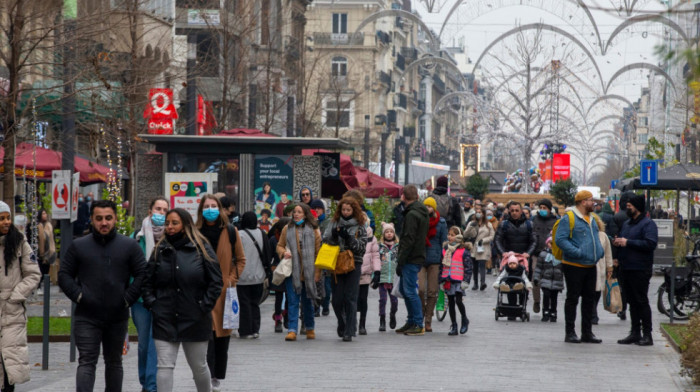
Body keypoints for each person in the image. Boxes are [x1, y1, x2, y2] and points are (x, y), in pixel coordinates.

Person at [58, 199, 146, 392]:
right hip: (86, 316)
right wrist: (79, 296)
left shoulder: (129, 246)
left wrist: (127, 298)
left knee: (114, 362)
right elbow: (64, 275)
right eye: (99, 218)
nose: (103, 223)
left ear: (115, 219)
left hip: (117, 315)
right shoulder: (79, 246)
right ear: (91, 219)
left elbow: (142, 274)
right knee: (87, 361)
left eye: (108, 218)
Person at [142, 208, 223, 392]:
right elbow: (147, 282)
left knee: (199, 366)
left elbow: (216, 281)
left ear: (186, 225)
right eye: (167, 223)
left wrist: (204, 305)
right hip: (165, 317)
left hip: (195, 317)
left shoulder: (201, 248)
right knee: (164, 366)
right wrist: (153, 304)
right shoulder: (160, 250)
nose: (170, 227)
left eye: (175, 223)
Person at [195, 194, 245, 391]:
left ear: (220, 209)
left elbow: (241, 260)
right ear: (201, 210)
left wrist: (231, 280)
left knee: (221, 337)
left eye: (213, 206)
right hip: (201, 290)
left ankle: (217, 376)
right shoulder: (195, 232)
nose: (210, 209)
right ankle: (205, 375)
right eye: (206, 206)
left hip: (224, 291)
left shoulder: (231, 231)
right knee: (204, 335)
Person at [0, 201, 40, 392]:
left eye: (8, 218)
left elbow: (33, 274)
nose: (6, 222)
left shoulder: (19, 242)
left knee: (10, 366)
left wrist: (16, 295)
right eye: (2, 218)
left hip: (12, 313)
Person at [555, 190, 604, 344]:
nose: (593, 203)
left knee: (589, 300)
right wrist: (577, 252)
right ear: (583, 202)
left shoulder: (592, 219)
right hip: (574, 265)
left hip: (591, 265)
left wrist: (600, 252)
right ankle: (570, 333)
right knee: (573, 298)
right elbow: (560, 240)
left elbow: (595, 237)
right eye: (591, 200)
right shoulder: (569, 218)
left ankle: (587, 333)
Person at [133, 197, 169, 392]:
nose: (161, 213)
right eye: (158, 209)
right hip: (140, 299)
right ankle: (144, 380)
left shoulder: (171, 238)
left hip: (163, 299)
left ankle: (151, 386)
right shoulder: (136, 238)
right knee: (143, 345)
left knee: (156, 343)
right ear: (150, 211)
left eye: (164, 210)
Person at [614, 194, 658, 346]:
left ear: (637, 207)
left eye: (630, 205)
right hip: (626, 268)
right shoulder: (627, 224)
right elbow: (624, 241)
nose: (627, 207)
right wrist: (618, 245)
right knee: (632, 302)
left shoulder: (648, 224)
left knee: (641, 301)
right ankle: (634, 332)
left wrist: (628, 242)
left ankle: (647, 334)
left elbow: (650, 244)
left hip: (640, 269)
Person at [323, 197, 367, 341]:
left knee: (350, 298)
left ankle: (349, 330)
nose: (346, 212)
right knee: (336, 299)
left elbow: (361, 248)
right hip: (337, 263)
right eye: (343, 209)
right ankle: (342, 322)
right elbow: (326, 240)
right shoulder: (334, 222)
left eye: (349, 210)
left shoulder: (360, 225)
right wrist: (335, 236)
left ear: (354, 211)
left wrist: (349, 238)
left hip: (354, 263)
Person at [276, 204, 322, 341]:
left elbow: (318, 252)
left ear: (305, 214)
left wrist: (317, 273)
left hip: (309, 271)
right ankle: (292, 329)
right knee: (293, 300)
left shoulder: (314, 230)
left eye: (299, 212)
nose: (296, 214)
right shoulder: (287, 228)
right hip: (292, 271)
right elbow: (279, 245)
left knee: (308, 301)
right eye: (294, 212)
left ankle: (310, 327)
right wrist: (284, 252)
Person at [395, 185, 429, 336]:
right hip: (417, 255)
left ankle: (417, 323)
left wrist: (401, 260)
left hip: (410, 257)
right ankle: (411, 321)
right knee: (404, 289)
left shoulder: (411, 215)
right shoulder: (421, 212)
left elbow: (408, 239)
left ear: (403, 196)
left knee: (409, 291)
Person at [237, 212, 272, 339]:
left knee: (244, 304)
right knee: (255, 304)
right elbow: (267, 254)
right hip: (259, 276)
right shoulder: (262, 233)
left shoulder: (239, 235)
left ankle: (245, 330)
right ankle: (255, 329)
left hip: (242, 277)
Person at [420, 197, 448, 333]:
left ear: (434, 208)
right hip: (420, 258)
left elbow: (444, 242)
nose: (427, 209)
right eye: (425, 206)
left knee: (432, 291)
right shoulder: (420, 220)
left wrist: (445, 259)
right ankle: (421, 313)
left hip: (435, 259)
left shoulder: (441, 223)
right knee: (419, 290)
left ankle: (428, 320)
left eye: (430, 206)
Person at [440, 227, 473, 335]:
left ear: (458, 236)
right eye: (449, 234)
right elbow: (441, 266)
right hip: (448, 279)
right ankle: (454, 325)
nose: (450, 237)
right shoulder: (445, 249)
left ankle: (464, 319)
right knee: (451, 303)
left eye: (453, 235)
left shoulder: (464, 250)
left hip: (459, 280)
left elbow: (468, 267)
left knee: (458, 301)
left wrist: (466, 281)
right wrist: (440, 280)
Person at [531, 199, 557, 314]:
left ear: (549, 209)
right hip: (536, 254)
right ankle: (537, 300)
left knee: (549, 279)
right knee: (535, 278)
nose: (542, 210)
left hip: (550, 255)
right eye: (540, 207)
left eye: (544, 208)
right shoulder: (534, 220)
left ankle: (548, 302)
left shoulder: (555, 221)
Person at [494, 201, 537, 271]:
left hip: (524, 258)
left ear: (521, 211)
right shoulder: (503, 224)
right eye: (512, 211)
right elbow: (497, 240)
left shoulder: (530, 225)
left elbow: (534, 241)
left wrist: (528, 253)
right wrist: (502, 252)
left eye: (517, 210)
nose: (514, 213)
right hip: (508, 258)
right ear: (509, 212)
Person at [612, 191, 634, 320]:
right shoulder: (637, 217)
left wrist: (614, 257)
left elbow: (614, 239)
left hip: (621, 254)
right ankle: (632, 308)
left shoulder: (617, 217)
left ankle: (623, 308)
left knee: (622, 283)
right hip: (634, 255)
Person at [533, 237, 564, 322]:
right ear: (547, 244)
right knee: (546, 295)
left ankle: (553, 312)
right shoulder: (543, 255)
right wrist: (536, 278)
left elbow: (564, 268)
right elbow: (538, 268)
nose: (552, 246)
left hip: (557, 280)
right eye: (551, 244)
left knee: (554, 297)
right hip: (545, 279)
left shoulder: (561, 254)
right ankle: (545, 311)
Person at [268, 218, 290, 332]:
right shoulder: (273, 239)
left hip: (288, 269)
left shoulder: (291, 237)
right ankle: (278, 319)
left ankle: (286, 316)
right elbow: (270, 254)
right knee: (279, 296)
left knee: (289, 295)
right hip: (277, 270)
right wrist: (271, 266)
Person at [464, 208, 494, 291]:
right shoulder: (471, 223)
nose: (478, 214)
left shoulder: (488, 224)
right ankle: (475, 283)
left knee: (482, 264)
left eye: (480, 212)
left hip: (483, 247)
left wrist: (483, 240)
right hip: (473, 247)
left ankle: (483, 282)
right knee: (475, 266)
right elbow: (465, 234)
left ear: (483, 214)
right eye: (477, 212)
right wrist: (470, 227)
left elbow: (492, 236)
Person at [591, 213, 614, 325]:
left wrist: (609, 267)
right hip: (588, 266)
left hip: (600, 267)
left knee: (597, 291)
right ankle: (592, 314)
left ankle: (593, 311)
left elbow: (608, 253)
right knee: (589, 291)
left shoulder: (602, 236)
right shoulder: (584, 234)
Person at [310, 199, 331, 317]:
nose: (317, 210)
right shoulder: (311, 222)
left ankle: (326, 305)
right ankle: (316, 307)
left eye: (319, 208)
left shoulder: (328, 222)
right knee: (316, 283)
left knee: (327, 285)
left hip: (326, 255)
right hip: (314, 256)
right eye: (314, 208)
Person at [377, 222, 399, 331]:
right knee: (382, 300)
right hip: (383, 277)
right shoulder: (380, 247)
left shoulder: (397, 247)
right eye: (387, 232)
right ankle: (382, 319)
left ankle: (392, 315)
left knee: (394, 301)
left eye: (391, 232)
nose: (389, 234)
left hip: (394, 278)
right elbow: (376, 260)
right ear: (383, 234)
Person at [358, 227, 380, 336]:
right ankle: (350, 321)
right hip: (351, 271)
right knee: (350, 299)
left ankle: (362, 324)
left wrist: (377, 271)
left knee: (363, 299)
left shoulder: (371, 236)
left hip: (365, 273)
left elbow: (375, 255)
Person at [36, 208, 56, 295]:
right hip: (39, 252)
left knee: (45, 270)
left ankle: (40, 285)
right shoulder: (37, 226)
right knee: (39, 270)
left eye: (45, 213)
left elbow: (51, 239)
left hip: (48, 252)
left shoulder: (49, 225)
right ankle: (38, 286)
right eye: (43, 214)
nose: (45, 215)